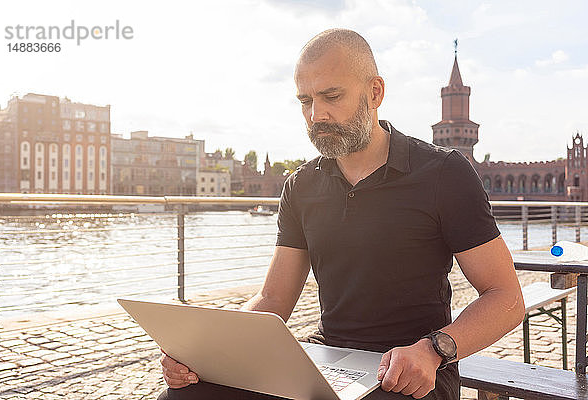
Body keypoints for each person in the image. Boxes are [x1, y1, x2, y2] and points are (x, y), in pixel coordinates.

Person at [158, 29, 525, 400]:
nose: (317, 115)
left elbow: (505, 297)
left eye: (332, 96)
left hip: (414, 373)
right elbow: (272, 301)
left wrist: (433, 351)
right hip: (326, 359)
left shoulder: (444, 174)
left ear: (375, 93)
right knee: (187, 394)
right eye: (305, 100)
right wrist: (206, 354)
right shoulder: (300, 186)